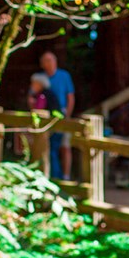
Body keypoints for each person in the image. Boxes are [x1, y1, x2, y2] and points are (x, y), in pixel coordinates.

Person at [40, 51, 75, 180]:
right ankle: (52, 175)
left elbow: (70, 97)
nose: (49, 63)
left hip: (63, 116)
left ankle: (65, 176)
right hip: (46, 119)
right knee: (49, 148)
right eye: (46, 61)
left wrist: (68, 116)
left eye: (51, 60)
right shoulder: (41, 78)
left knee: (65, 147)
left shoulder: (64, 76)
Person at [16, 73, 61, 154]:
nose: (32, 86)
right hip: (54, 124)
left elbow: (38, 111)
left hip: (52, 126)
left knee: (50, 152)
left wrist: (32, 103)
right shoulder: (47, 93)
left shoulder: (42, 95)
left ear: (40, 84)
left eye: (33, 83)